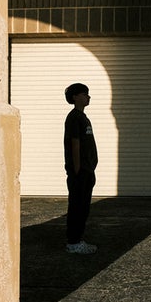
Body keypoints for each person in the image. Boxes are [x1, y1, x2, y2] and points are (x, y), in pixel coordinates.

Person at [63, 82, 98, 253]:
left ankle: (78, 240)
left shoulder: (82, 117)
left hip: (87, 170)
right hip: (80, 172)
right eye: (84, 94)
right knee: (77, 206)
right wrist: (77, 170)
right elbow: (74, 144)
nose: (88, 96)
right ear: (75, 97)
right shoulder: (74, 117)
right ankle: (74, 243)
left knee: (83, 207)